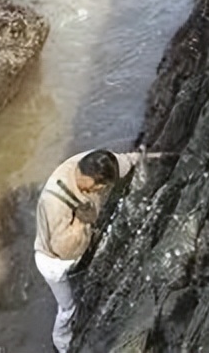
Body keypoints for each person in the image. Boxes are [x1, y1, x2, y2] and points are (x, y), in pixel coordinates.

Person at [34, 148, 140, 353]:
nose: (102, 189)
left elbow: (119, 163)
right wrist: (82, 223)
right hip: (52, 261)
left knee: (79, 280)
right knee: (67, 308)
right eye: (100, 186)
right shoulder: (54, 202)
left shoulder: (91, 163)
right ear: (91, 180)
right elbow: (62, 249)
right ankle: (61, 343)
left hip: (74, 249)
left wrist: (136, 158)